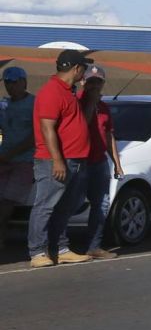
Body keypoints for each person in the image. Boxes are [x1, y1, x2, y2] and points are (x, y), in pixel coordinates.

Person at [28, 50, 95, 267]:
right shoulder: (52, 92)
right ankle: (37, 252)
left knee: (64, 207)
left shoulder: (69, 92)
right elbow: (47, 128)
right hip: (54, 161)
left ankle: (61, 248)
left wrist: (89, 98)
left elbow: (75, 123)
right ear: (76, 69)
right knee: (45, 206)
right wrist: (57, 160)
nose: (84, 73)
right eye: (83, 68)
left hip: (75, 159)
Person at [77, 65, 122, 259]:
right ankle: (56, 245)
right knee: (72, 203)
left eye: (98, 82)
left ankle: (94, 246)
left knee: (101, 204)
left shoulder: (104, 108)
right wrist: (90, 103)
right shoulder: (77, 102)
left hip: (99, 161)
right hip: (80, 162)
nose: (95, 86)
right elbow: (81, 126)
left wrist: (117, 163)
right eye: (91, 82)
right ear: (83, 82)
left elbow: (109, 135)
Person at [0, 67, 35, 245]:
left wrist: (12, 154)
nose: (10, 86)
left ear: (24, 82)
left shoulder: (34, 103)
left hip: (24, 160)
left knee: (8, 199)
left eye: (14, 82)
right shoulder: (3, 105)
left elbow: (37, 135)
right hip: (4, 159)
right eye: (7, 82)